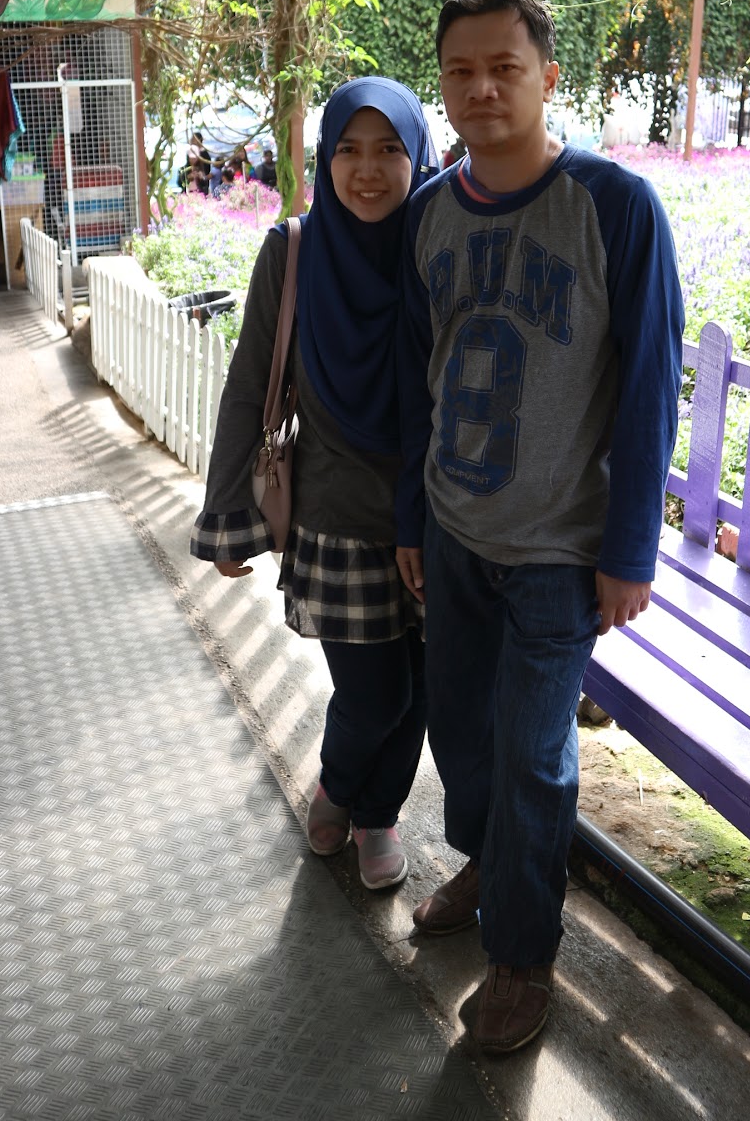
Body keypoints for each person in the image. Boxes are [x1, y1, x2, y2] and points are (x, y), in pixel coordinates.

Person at [395, 0, 683, 1054]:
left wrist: (628, 550)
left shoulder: (613, 205)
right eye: (460, 71)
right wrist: (411, 520)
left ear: (548, 77)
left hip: (560, 549)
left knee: (532, 754)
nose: (481, 88)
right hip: (454, 531)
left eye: (503, 68)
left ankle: (522, 957)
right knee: (460, 729)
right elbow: (415, 384)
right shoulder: (430, 211)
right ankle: (488, 862)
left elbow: (650, 385)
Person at [191, 77, 436, 891]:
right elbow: (248, 382)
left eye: (389, 149)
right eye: (348, 151)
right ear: (324, 158)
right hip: (336, 516)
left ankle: (377, 815)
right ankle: (339, 785)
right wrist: (228, 513)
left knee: (419, 692)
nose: (367, 170)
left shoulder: (441, 244)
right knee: (377, 694)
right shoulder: (293, 250)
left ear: (418, 155)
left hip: (436, 515)